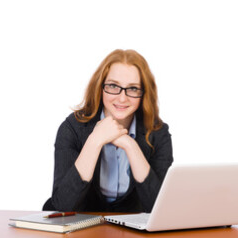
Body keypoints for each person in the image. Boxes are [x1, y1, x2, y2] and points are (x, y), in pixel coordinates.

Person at [45, 49, 173, 212]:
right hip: (82, 229)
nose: (122, 98)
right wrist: (95, 141)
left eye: (133, 88)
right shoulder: (72, 128)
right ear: (100, 87)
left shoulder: (158, 133)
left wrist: (130, 145)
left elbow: (159, 210)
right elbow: (62, 206)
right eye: (113, 86)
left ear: (144, 94)